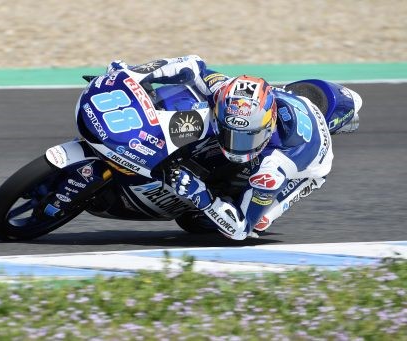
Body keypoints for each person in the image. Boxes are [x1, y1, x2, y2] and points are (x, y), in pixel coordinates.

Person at [107, 55, 360, 240]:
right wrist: (135, 74)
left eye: (246, 139)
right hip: (285, 104)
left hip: (306, 166)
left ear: (266, 128)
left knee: (258, 221)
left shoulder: (274, 167)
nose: (236, 147)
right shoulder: (224, 90)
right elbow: (192, 65)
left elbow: (240, 230)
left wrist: (202, 197)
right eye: (230, 134)